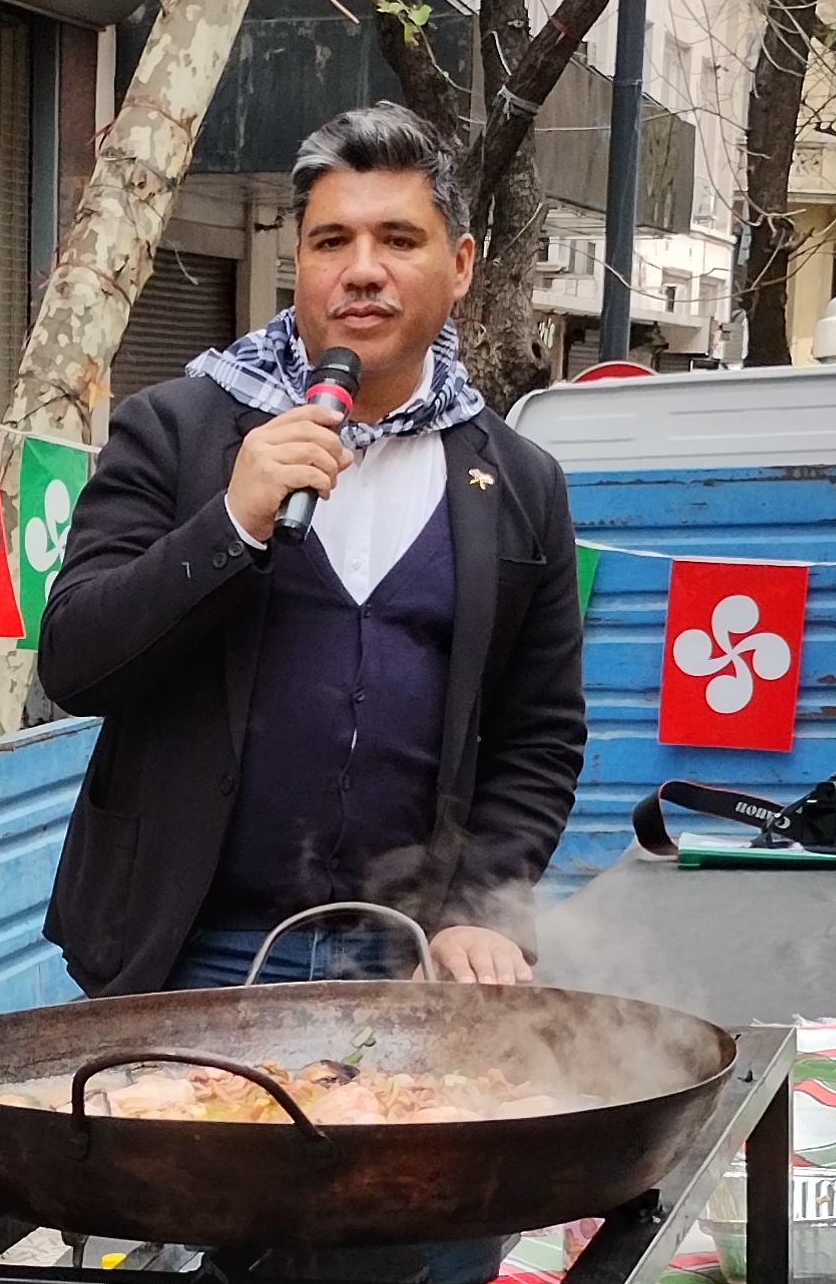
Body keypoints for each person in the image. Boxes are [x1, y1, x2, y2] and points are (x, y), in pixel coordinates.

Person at [40, 103, 585, 994]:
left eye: (398, 240)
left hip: (408, 960)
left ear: (458, 266)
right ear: (298, 263)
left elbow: (541, 733)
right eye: (332, 241)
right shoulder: (176, 431)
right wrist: (231, 524)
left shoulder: (519, 482)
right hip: (184, 953)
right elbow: (74, 662)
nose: (361, 271)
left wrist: (481, 908)